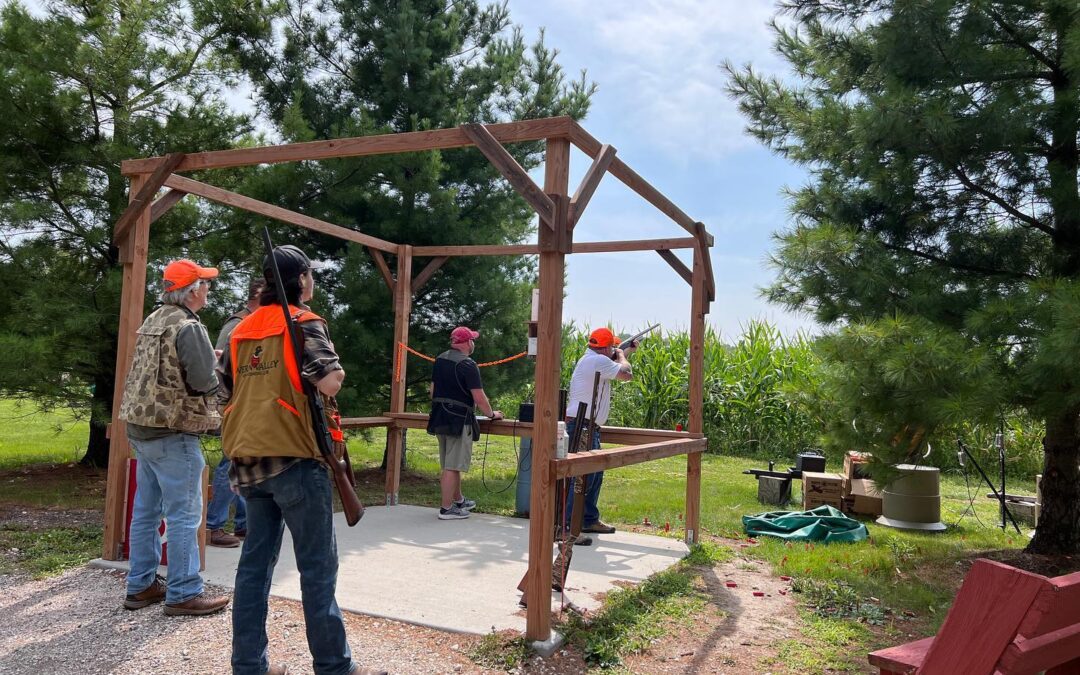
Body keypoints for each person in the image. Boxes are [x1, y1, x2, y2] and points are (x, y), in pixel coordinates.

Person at [220, 244, 384, 675]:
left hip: (250, 462)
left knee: (254, 568)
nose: (313, 281)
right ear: (301, 280)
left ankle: (248, 665)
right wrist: (338, 373)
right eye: (310, 274)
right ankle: (334, 667)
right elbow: (328, 381)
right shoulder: (305, 323)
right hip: (297, 459)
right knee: (317, 569)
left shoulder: (241, 330)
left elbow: (223, 390)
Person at [117, 259, 231, 617]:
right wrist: (220, 370)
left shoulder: (156, 319)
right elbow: (201, 382)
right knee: (185, 514)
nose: (208, 289)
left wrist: (203, 359)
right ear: (193, 290)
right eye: (204, 283)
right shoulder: (189, 326)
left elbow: (163, 368)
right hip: (173, 430)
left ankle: (141, 586)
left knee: (146, 513)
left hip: (142, 428)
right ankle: (183, 592)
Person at [206, 278, 265, 548]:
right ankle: (212, 526)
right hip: (235, 404)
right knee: (229, 462)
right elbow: (221, 367)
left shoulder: (254, 321)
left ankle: (243, 524)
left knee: (243, 460)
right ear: (259, 296)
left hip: (248, 404)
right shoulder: (237, 324)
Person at [563, 327, 636, 537]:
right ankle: (566, 526)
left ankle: (587, 519)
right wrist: (622, 355)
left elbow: (612, 366)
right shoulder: (598, 361)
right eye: (612, 346)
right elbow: (626, 373)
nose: (615, 348)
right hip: (582, 425)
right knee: (580, 478)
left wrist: (625, 351)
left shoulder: (595, 359)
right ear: (605, 348)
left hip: (586, 425)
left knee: (594, 476)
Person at [426, 326, 503, 520]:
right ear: (468, 342)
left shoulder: (441, 359)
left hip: (439, 417)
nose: (473, 343)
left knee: (450, 464)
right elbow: (479, 397)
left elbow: (432, 391)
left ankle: (459, 501)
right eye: (473, 340)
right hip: (459, 420)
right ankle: (446, 509)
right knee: (453, 466)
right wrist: (492, 414)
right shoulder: (468, 365)